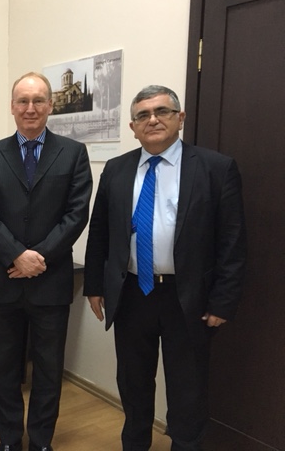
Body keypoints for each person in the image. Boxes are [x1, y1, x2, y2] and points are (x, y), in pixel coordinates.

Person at [83, 85, 247, 450]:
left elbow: (232, 243)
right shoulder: (117, 169)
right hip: (131, 294)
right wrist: (94, 285)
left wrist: (223, 301)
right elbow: (100, 234)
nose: (152, 120)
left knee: (188, 390)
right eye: (143, 115)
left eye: (162, 112)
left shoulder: (215, 168)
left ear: (180, 118)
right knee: (133, 383)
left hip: (187, 298)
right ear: (133, 126)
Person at [0, 72, 92, 451]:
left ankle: (41, 441)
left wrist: (38, 258)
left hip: (50, 281)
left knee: (48, 370)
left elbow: (76, 214)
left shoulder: (73, 153)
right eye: (22, 101)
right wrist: (16, 255)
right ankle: (9, 440)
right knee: (2, 369)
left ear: (50, 106)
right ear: (12, 107)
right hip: (1, 281)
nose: (30, 108)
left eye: (38, 100)